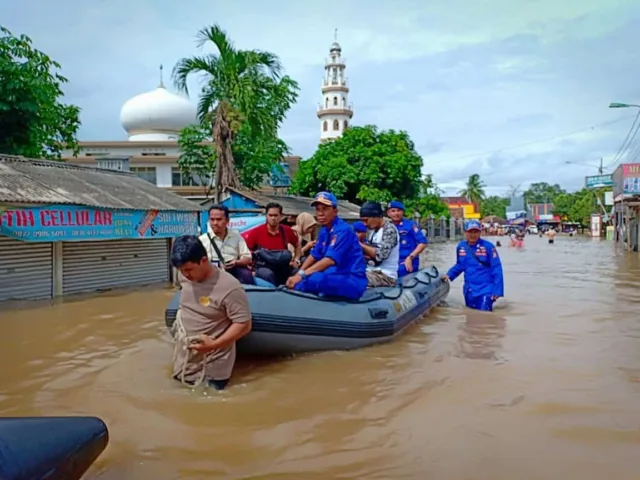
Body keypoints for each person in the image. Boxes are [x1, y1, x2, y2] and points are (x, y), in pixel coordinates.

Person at [169, 235, 252, 390]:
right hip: (185, 359)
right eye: (181, 270)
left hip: (213, 364)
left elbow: (244, 324)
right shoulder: (184, 276)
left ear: (204, 261)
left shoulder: (230, 288)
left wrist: (213, 345)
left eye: (189, 270)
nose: (185, 274)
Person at [285, 191, 367, 300]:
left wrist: (301, 276)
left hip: (351, 278)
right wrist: (299, 273)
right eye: (318, 209)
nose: (320, 213)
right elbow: (314, 255)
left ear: (335, 211)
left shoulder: (343, 230)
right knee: (306, 279)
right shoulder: (324, 230)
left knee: (315, 280)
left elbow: (329, 260)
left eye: (325, 209)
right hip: (335, 274)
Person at [443, 219, 504, 312]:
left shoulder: (488, 247)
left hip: (486, 289)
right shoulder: (461, 247)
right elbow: (460, 265)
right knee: (471, 318)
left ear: (480, 232)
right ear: (465, 232)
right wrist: (449, 274)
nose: (473, 235)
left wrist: (497, 290)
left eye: (476, 232)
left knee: (484, 316)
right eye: (470, 232)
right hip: (469, 290)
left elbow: (497, 268)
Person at [244, 202, 301, 286]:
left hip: (283, 266)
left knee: (299, 273)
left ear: (281, 216)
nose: (273, 218)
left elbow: (297, 245)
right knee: (268, 274)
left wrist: (296, 260)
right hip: (263, 267)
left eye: (276, 215)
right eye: (270, 215)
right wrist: (251, 269)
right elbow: (246, 252)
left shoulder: (287, 230)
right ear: (266, 216)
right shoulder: (256, 232)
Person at [198, 205, 254, 285]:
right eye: (212, 219)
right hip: (212, 274)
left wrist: (236, 262)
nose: (215, 223)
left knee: (246, 274)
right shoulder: (202, 240)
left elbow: (247, 258)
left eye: (219, 219)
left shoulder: (236, 237)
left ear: (227, 220)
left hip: (234, 272)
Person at [359, 201, 400, 287]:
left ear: (376, 216)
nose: (364, 224)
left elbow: (381, 255)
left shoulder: (389, 230)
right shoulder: (372, 230)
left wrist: (360, 245)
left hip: (385, 275)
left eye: (366, 220)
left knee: (351, 279)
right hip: (370, 271)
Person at [386, 200, 428, 277]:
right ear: (388, 213)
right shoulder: (386, 227)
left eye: (398, 211)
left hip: (407, 261)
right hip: (392, 262)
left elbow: (423, 243)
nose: (396, 213)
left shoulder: (410, 225)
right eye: (393, 211)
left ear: (403, 212)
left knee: (401, 271)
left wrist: (410, 257)